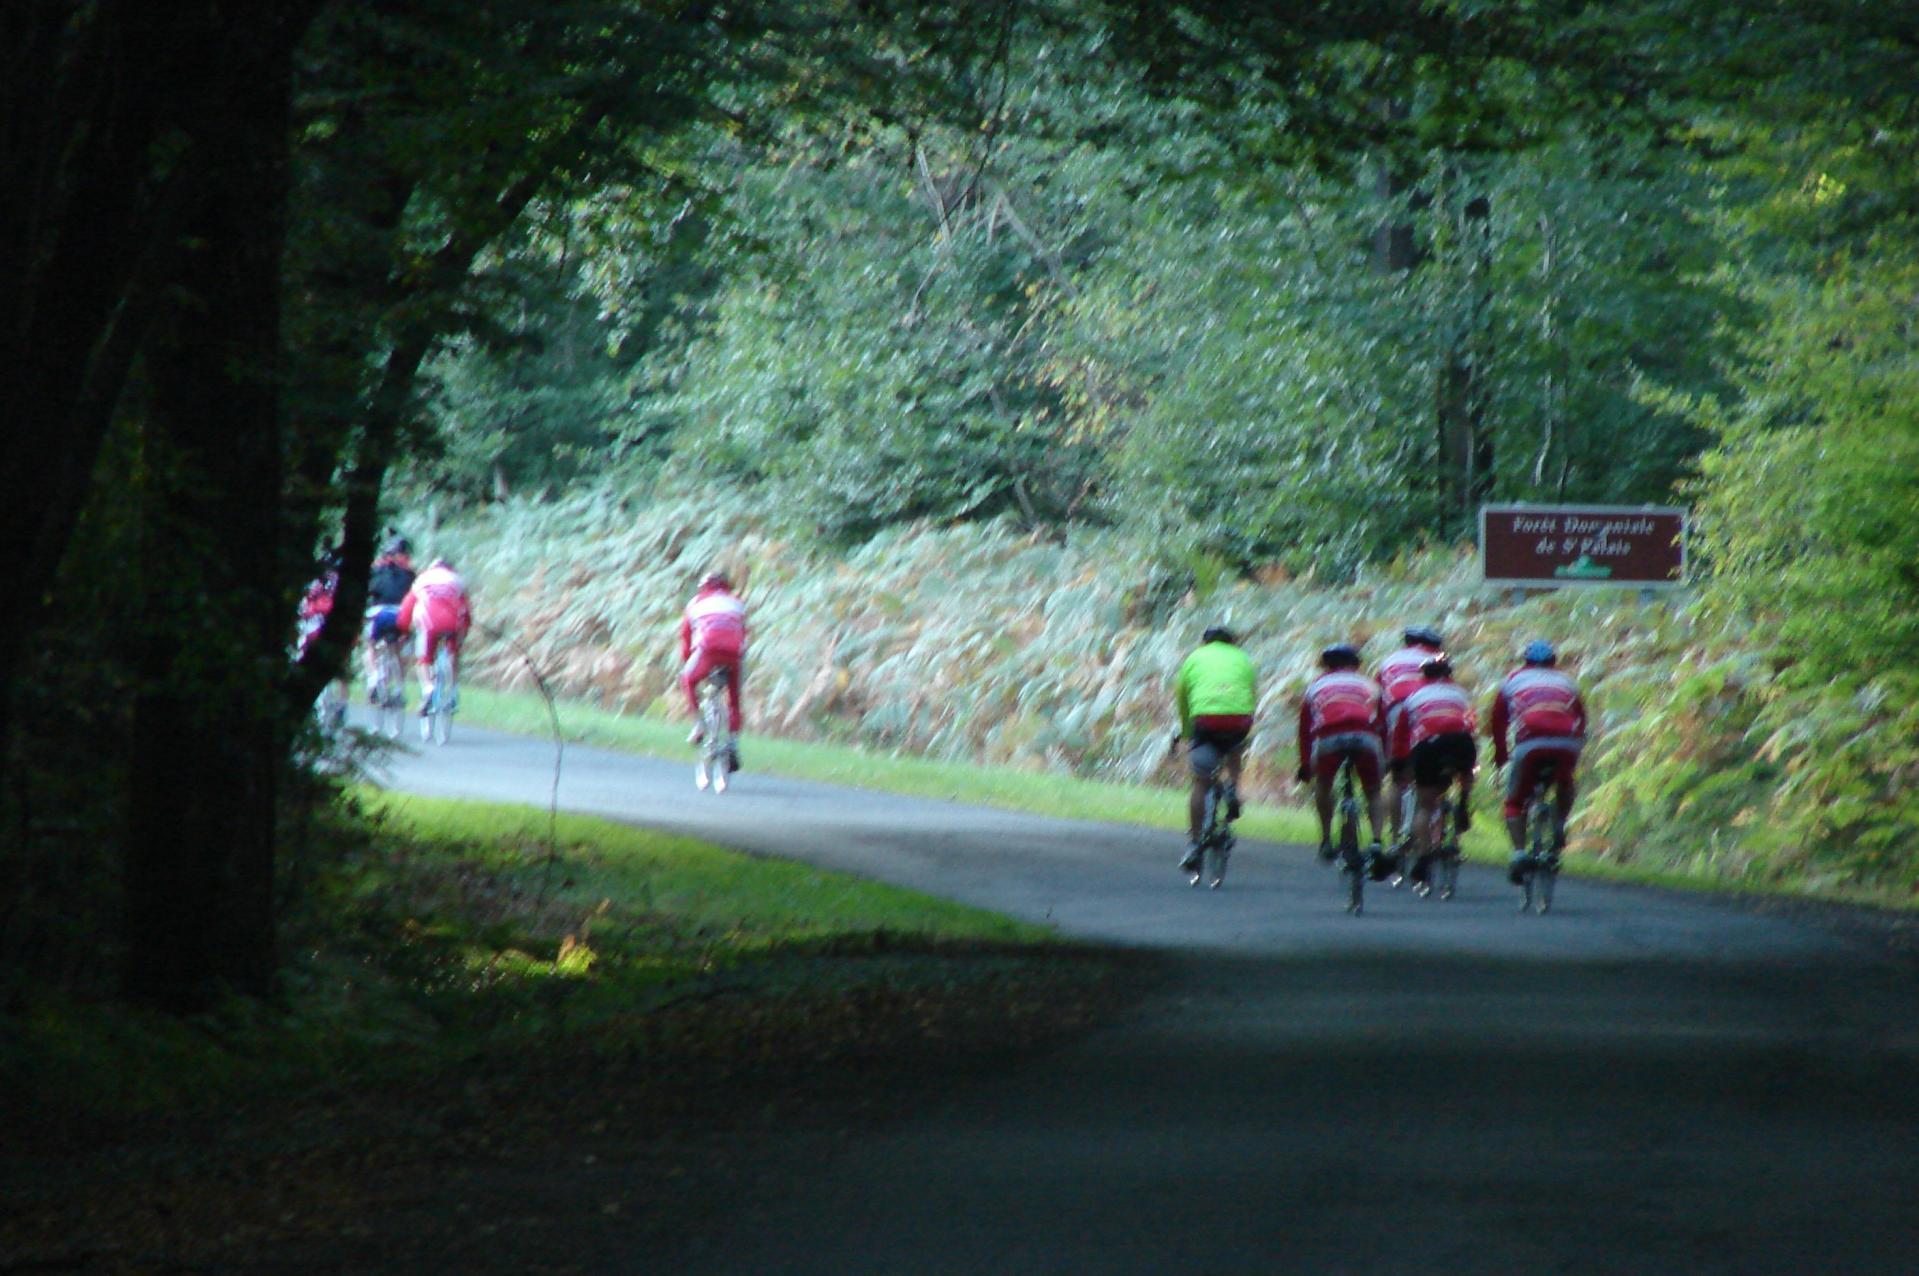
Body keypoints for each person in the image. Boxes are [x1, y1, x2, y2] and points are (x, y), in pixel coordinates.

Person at [1491, 640, 1588, 884]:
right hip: (1566, 744)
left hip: (1530, 743)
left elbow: (1498, 723)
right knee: (1565, 781)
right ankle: (1560, 823)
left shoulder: (1512, 681)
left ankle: (1519, 853)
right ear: (1554, 662)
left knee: (1515, 801)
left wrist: (1501, 756)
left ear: (1526, 662)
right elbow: (1581, 720)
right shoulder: (1568, 682)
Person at [1296, 643, 1389, 876]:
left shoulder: (1315, 687)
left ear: (1326, 665)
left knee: (1324, 785)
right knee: (1374, 792)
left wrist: (1306, 765)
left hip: (1329, 736)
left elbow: (1305, 729)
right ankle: (1377, 841)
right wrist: (1385, 758)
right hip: (1364, 735)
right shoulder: (1371, 686)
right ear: (1356, 665)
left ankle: (1326, 840)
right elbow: (1384, 724)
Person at [1172, 625, 1257, 873]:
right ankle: (1232, 787)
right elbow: (1252, 695)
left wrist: (1187, 733)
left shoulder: (1195, 657)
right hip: (1239, 719)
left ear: (1205, 641)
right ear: (1233, 641)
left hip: (1206, 720)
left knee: (1200, 782)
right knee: (1234, 748)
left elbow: (1182, 697)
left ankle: (1194, 844)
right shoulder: (1243, 658)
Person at [1391, 655, 1478, 885]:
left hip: (1429, 747)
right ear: (1449, 675)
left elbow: (1401, 737)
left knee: (1425, 805)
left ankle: (1424, 855)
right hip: (1460, 742)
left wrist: (1400, 764)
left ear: (1424, 676)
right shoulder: (1462, 695)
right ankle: (1463, 802)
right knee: (1466, 767)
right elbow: (1471, 725)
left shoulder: (1413, 698)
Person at [1374, 625, 1445, 852]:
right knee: (1432, 771)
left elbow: (1377, 697)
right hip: (1428, 708)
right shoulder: (1436, 659)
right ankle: (1430, 836)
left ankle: (1394, 840)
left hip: (1395, 710)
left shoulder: (1389, 660)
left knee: (1397, 777)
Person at [680, 571, 746, 768]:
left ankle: (699, 725)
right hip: (734, 653)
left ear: (703, 587)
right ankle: (733, 743)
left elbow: (685, 639)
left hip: (708, 650)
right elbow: (743, 633)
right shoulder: (737, 603)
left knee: (687, 679)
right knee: (734, 698)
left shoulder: (695, 603)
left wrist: (687, 661)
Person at [398, 556, 472, 713]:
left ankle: (428, 688)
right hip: (452, 623)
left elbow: (407, 607)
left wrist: (403, 629)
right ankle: (452, 692)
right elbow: (466, 610)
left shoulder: (423, 579)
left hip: (428, 624)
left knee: (423, 660)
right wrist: (464, 631)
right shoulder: (457, 580)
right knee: (453, 654)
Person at [362, 535, 416, 699]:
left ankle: (373, 677)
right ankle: (399, 688)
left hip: (378, 614)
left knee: (370, 645)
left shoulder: (375, 571)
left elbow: (368, 594)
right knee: (397, 650)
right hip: (400, 615)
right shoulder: (410, 574)